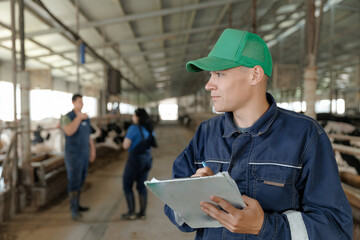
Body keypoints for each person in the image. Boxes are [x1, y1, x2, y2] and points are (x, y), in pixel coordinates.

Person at [164, 28, 353, 239]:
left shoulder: (305, 135)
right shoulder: (206, 133)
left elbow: (335, 226)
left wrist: (265, 225)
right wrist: (193, 195)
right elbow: (173, 209)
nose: (209, 85)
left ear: (255, 75)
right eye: (210, 75)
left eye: (219, 73)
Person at [62, 93, 96, 220]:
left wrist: (92, 150)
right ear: (73, 103)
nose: (81, 104)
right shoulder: (67, 117)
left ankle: (78, 204)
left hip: (84, 154)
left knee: (81, 180)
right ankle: (73, 209)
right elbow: (69, 131)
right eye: (79, 102)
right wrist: (78, 118)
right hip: (73, 155)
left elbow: (88, 136)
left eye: (82, 102)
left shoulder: (86, 118)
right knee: (74, 181)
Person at [122, 108, 156, 220]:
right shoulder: (149, 129)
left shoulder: (133, 128)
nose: (133, 118)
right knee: (141, 186)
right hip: (147, 159)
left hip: (135, 160)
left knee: (127, 184)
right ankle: (142, 213)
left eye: (134, 116)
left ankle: (131, 212)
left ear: (138, 117)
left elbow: (125, 146)